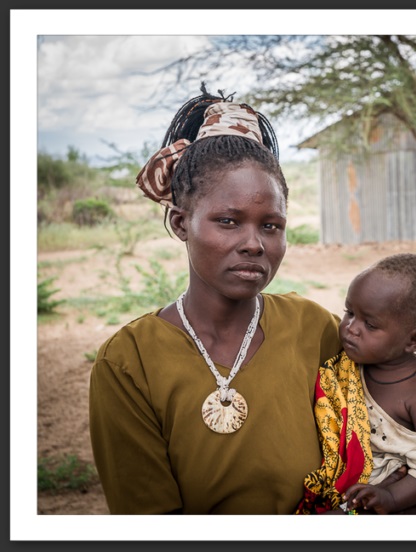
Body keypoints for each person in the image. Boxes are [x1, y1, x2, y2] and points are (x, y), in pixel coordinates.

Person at [88, 83, 344, 514]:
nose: (253, 244)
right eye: (228, 221)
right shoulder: (129, 362)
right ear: (181, 222)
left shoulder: (315, 329)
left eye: (271, 226)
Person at [295, 253, 416, 515]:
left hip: (390, 499)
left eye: (370, 324)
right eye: (349, 312)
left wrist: (391, 497)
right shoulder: (345, 366)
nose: (351, 328)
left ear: (414, 340)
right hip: (339, 492)